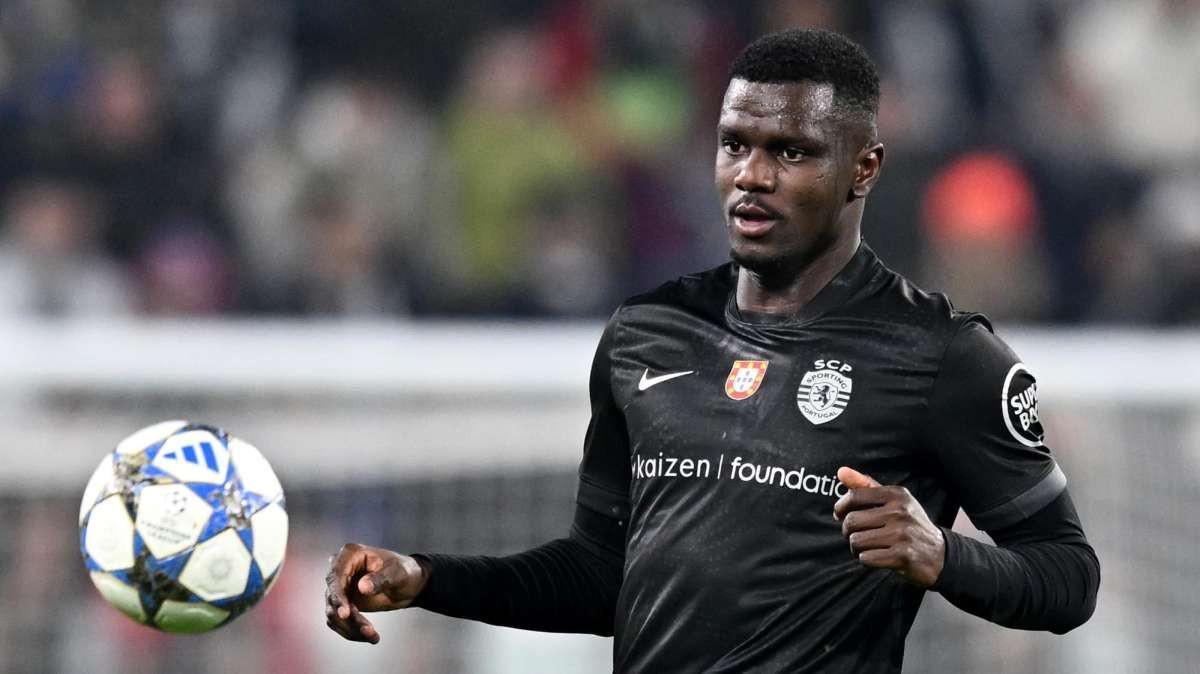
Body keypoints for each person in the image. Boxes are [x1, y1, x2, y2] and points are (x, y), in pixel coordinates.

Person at [324, 28, 1099, 673]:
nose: (751, 176)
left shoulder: (942, 354)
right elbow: (598, 576)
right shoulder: (645, 333)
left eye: (790, 152)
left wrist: (944, 556)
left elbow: (1069, 577)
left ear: (864, 167)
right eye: (735, 145)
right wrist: (426, 578)